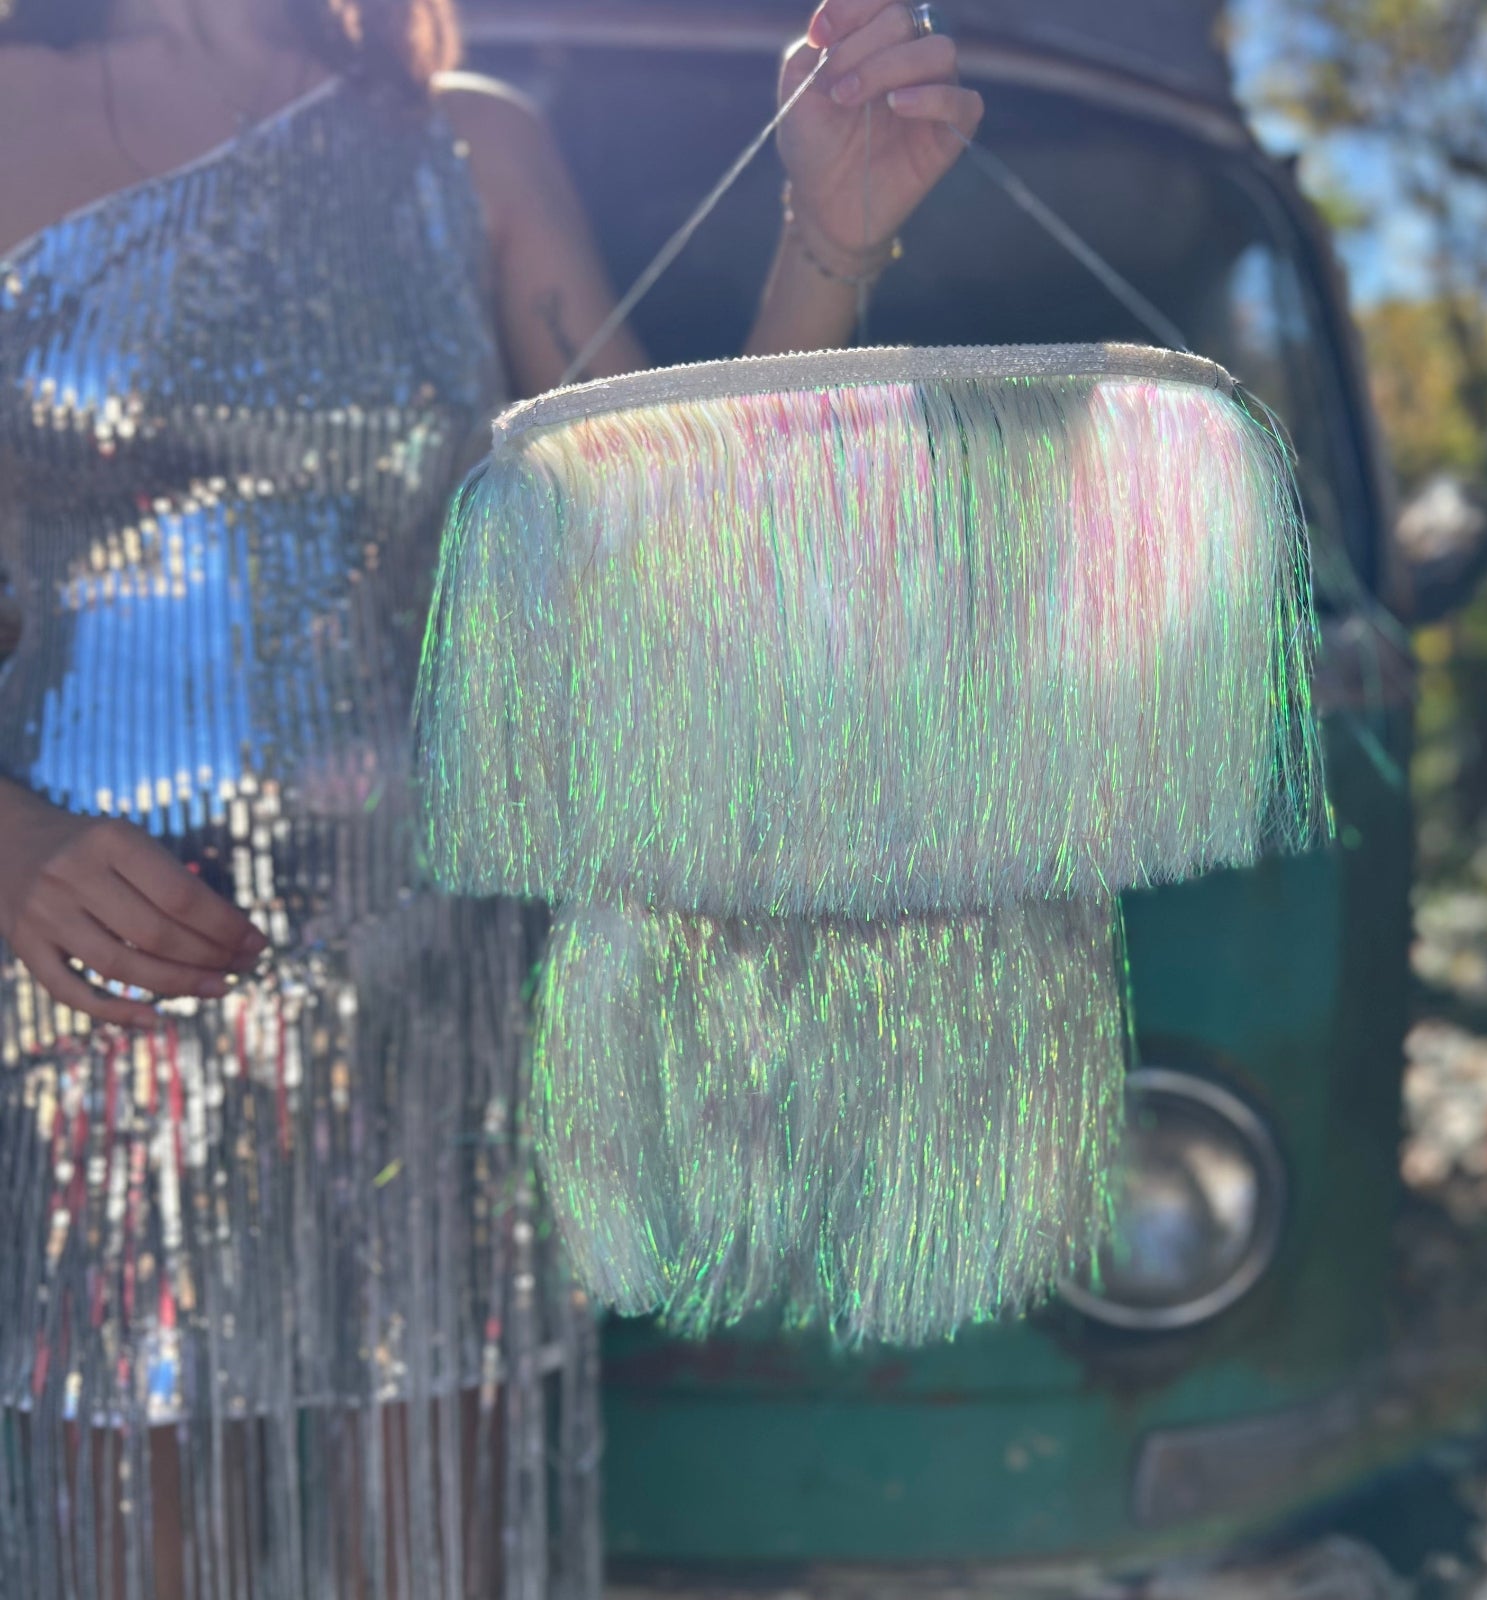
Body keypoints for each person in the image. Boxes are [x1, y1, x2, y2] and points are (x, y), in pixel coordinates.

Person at [0, 0, 982, 1594]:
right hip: (99, 996)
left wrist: (830, 233)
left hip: (436, 989)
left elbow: (681, 567)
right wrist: (13, 843)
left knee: (431, 1547)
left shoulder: (466, 139)